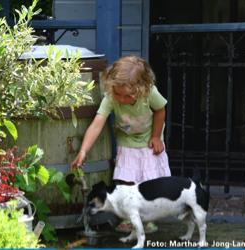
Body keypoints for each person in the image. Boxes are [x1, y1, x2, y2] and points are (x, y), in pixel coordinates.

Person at [70, 55, 171, 233]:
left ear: (141, 88)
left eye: (128, 96)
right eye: (118, 94)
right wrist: (83, 151)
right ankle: (128, 218)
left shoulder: (150, 93)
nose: (122, 99)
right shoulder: (111, 97)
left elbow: (160, 111)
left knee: (149, 183)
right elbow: (97, 124)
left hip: (149, 140)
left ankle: (147, 220)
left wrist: (156, 136)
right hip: (127, 140)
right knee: (125, 182)